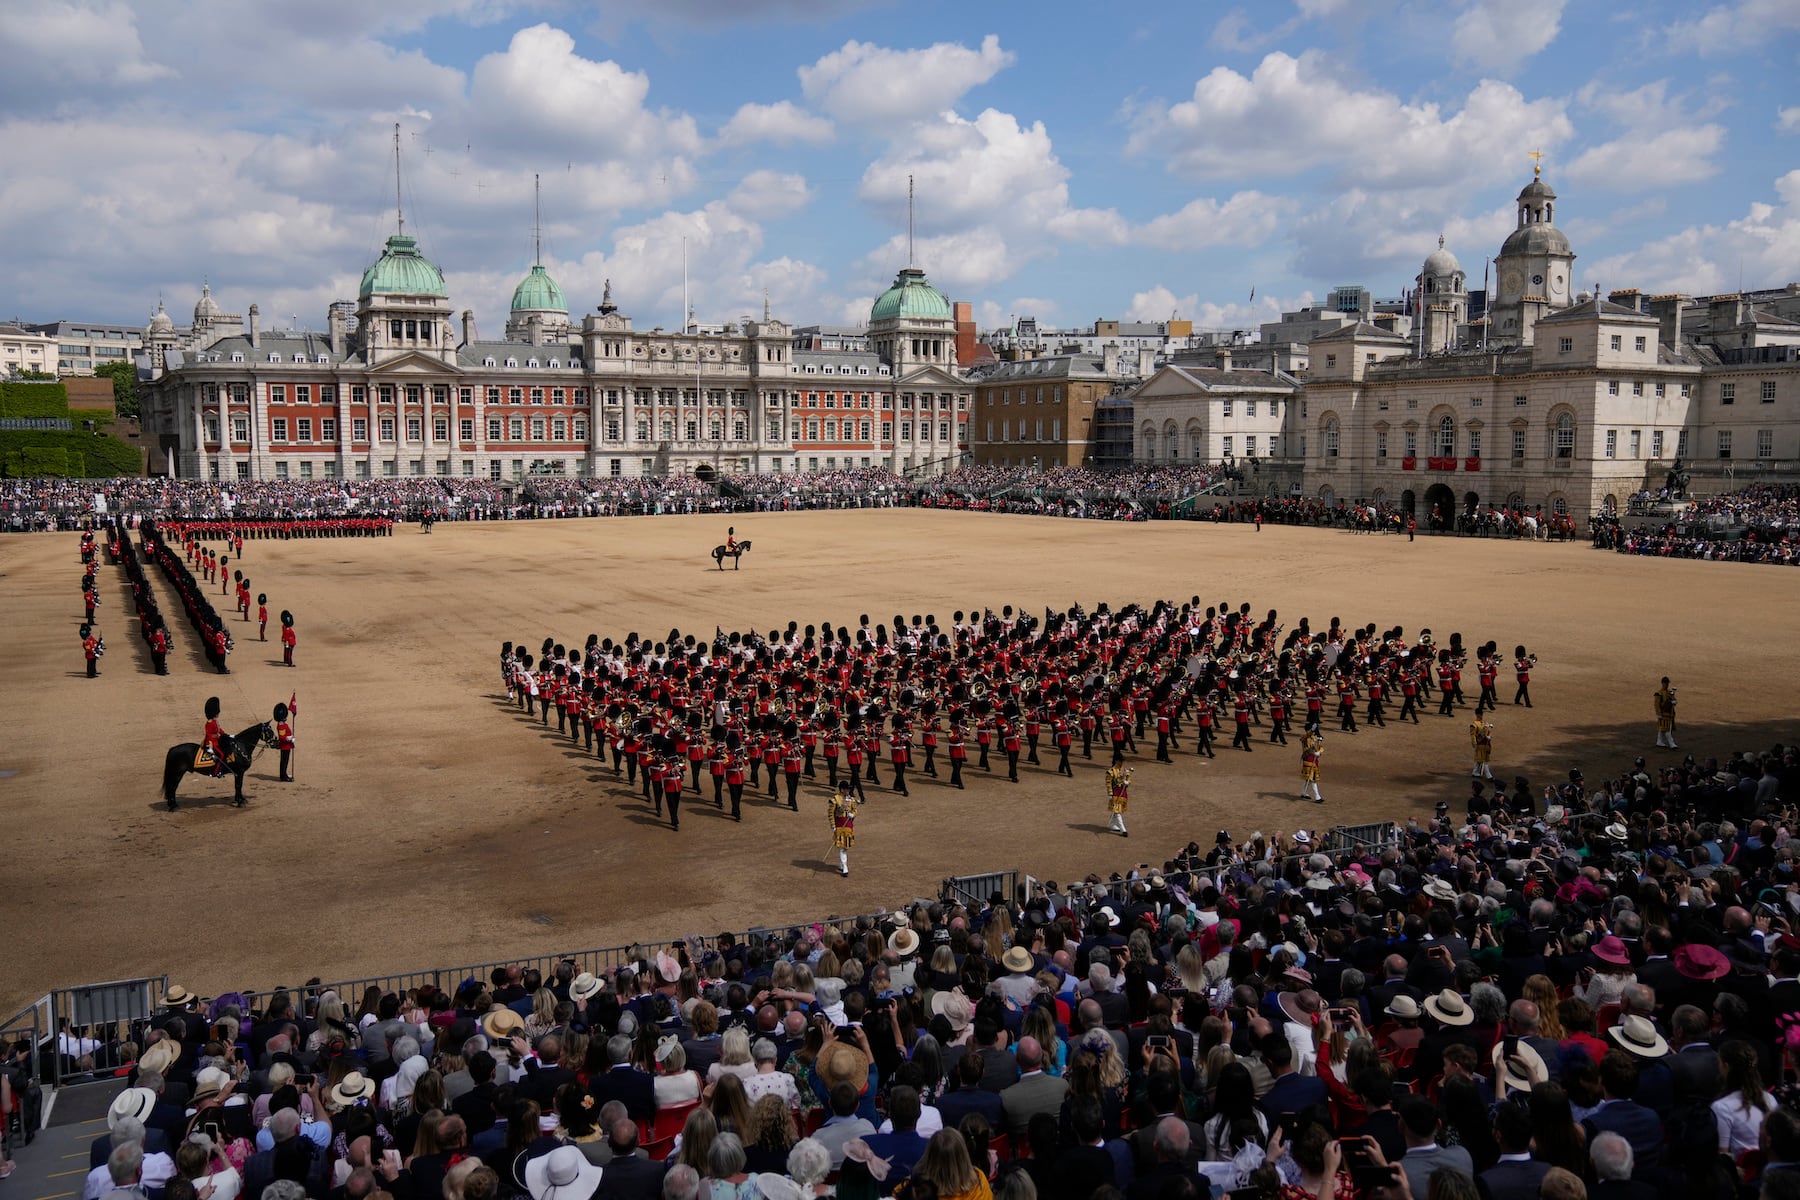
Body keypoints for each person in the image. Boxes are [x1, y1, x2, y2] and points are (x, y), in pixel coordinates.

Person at [829, 781, 858, 877]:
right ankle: (845, 867)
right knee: (842, 847)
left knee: (845, 846)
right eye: (847, 789)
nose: (848, 790)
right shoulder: (835, 799)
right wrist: (833, 826)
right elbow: (831, 814)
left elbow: (854, 810)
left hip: (848, 825)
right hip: (840, 825)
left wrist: (853, 814)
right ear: (842, 789)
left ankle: (842, 864)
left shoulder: (851, 799)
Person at [1104, 751, 1131, 838]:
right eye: (1120, 761)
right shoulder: (1110, 772)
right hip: (1115, 794)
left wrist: (1127, 782)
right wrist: (1110, 794)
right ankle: (1123, 830)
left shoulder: (1125, 770)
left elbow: (1128, 779)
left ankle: (1112, 824)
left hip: (1122, 793)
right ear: (1116, 761)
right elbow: (1108, 784)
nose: (1121, 762)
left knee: (1117, 810)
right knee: (1117, 811)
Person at [202, 697, 228, 776]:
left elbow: (219, 730)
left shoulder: (215, 721)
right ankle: (216, 772)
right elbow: (208, 734)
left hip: (217, 741)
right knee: (221, 755)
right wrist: (211, 744)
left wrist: (226, 735)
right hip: (212, 743)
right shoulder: (209, 723)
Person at [1300, 730, 1324, 804]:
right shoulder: (1305, 738)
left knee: (1308, 779)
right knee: (1313, 779)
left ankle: (1304, 792)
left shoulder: (1313, 738)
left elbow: (1319, 747)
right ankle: (1317, 797)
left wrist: (1319, 751)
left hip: (1313, 760)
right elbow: (1307, 736)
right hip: (1309, 760)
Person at [274, 703, 296, 783]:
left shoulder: (282, 724)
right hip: (285, 746)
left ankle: (283, 774)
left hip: (286, 745)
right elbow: (282, 737)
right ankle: (283, 776)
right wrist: (290, 739)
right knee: (284, 761)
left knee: (284, 761)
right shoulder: (281, 726)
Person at [1654, 678, 1678, 749]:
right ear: (1662, 683)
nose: (1667, 685)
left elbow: (1674, 699)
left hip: (1669, 713)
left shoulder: (1670, 692)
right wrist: (1658, 713)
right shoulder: (1659, 693)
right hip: (1663, 713)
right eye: (1665, 683)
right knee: (1667, 729)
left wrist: (1674, 701)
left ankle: (1659, 741)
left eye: (1667, 683)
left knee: (1662, 729)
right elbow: (1657, 704)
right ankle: (1671, 743)